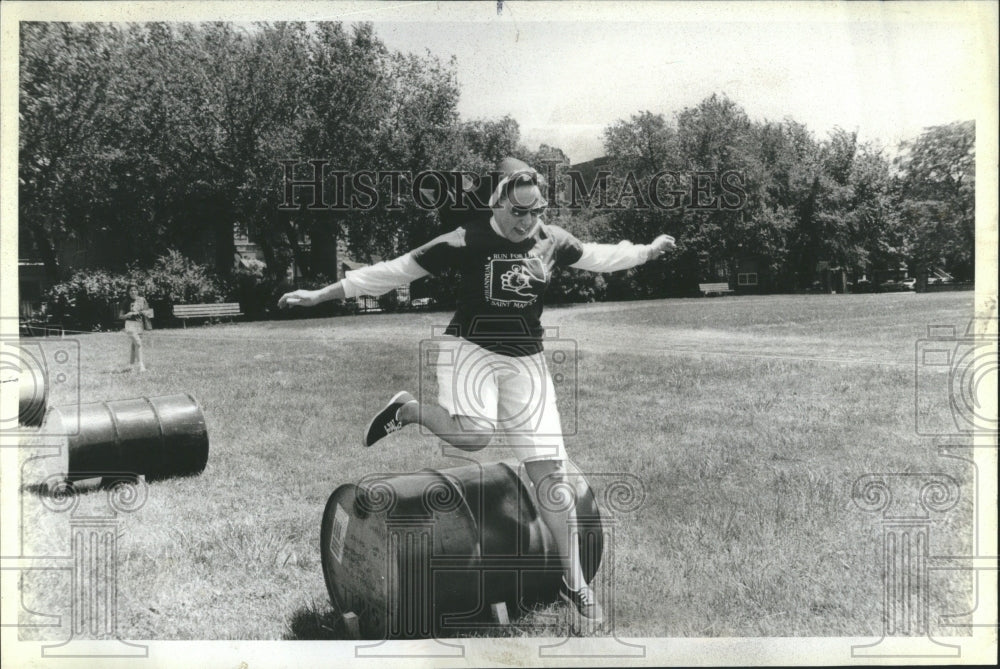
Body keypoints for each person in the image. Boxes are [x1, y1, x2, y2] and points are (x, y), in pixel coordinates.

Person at [279, 157, 675, 627]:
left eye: (536, 211)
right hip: (470, 348)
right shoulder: (464, 239)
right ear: (498, 202)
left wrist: (646, 250)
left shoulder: (550, 240)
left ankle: (577, 585)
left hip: (525, 359)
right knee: (474, 436)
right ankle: (409, 410)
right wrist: (323, 293)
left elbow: (597, 255)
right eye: (518, 212)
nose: (527, 222)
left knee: (551, 475)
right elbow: (395, 270)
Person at [120, 283, 152, 372]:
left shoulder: (142, 300)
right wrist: (128, 314)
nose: (133, 292)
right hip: (129, 324)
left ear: (138, 291)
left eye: (135, 290)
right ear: (128, 292)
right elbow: (120, 316)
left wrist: (146, 313)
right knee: (138, 343)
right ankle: (141, 366)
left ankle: (130, 365)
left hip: (139, 324)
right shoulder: (126, 302)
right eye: (131, 290)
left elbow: (148, 312)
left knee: (135, 345)